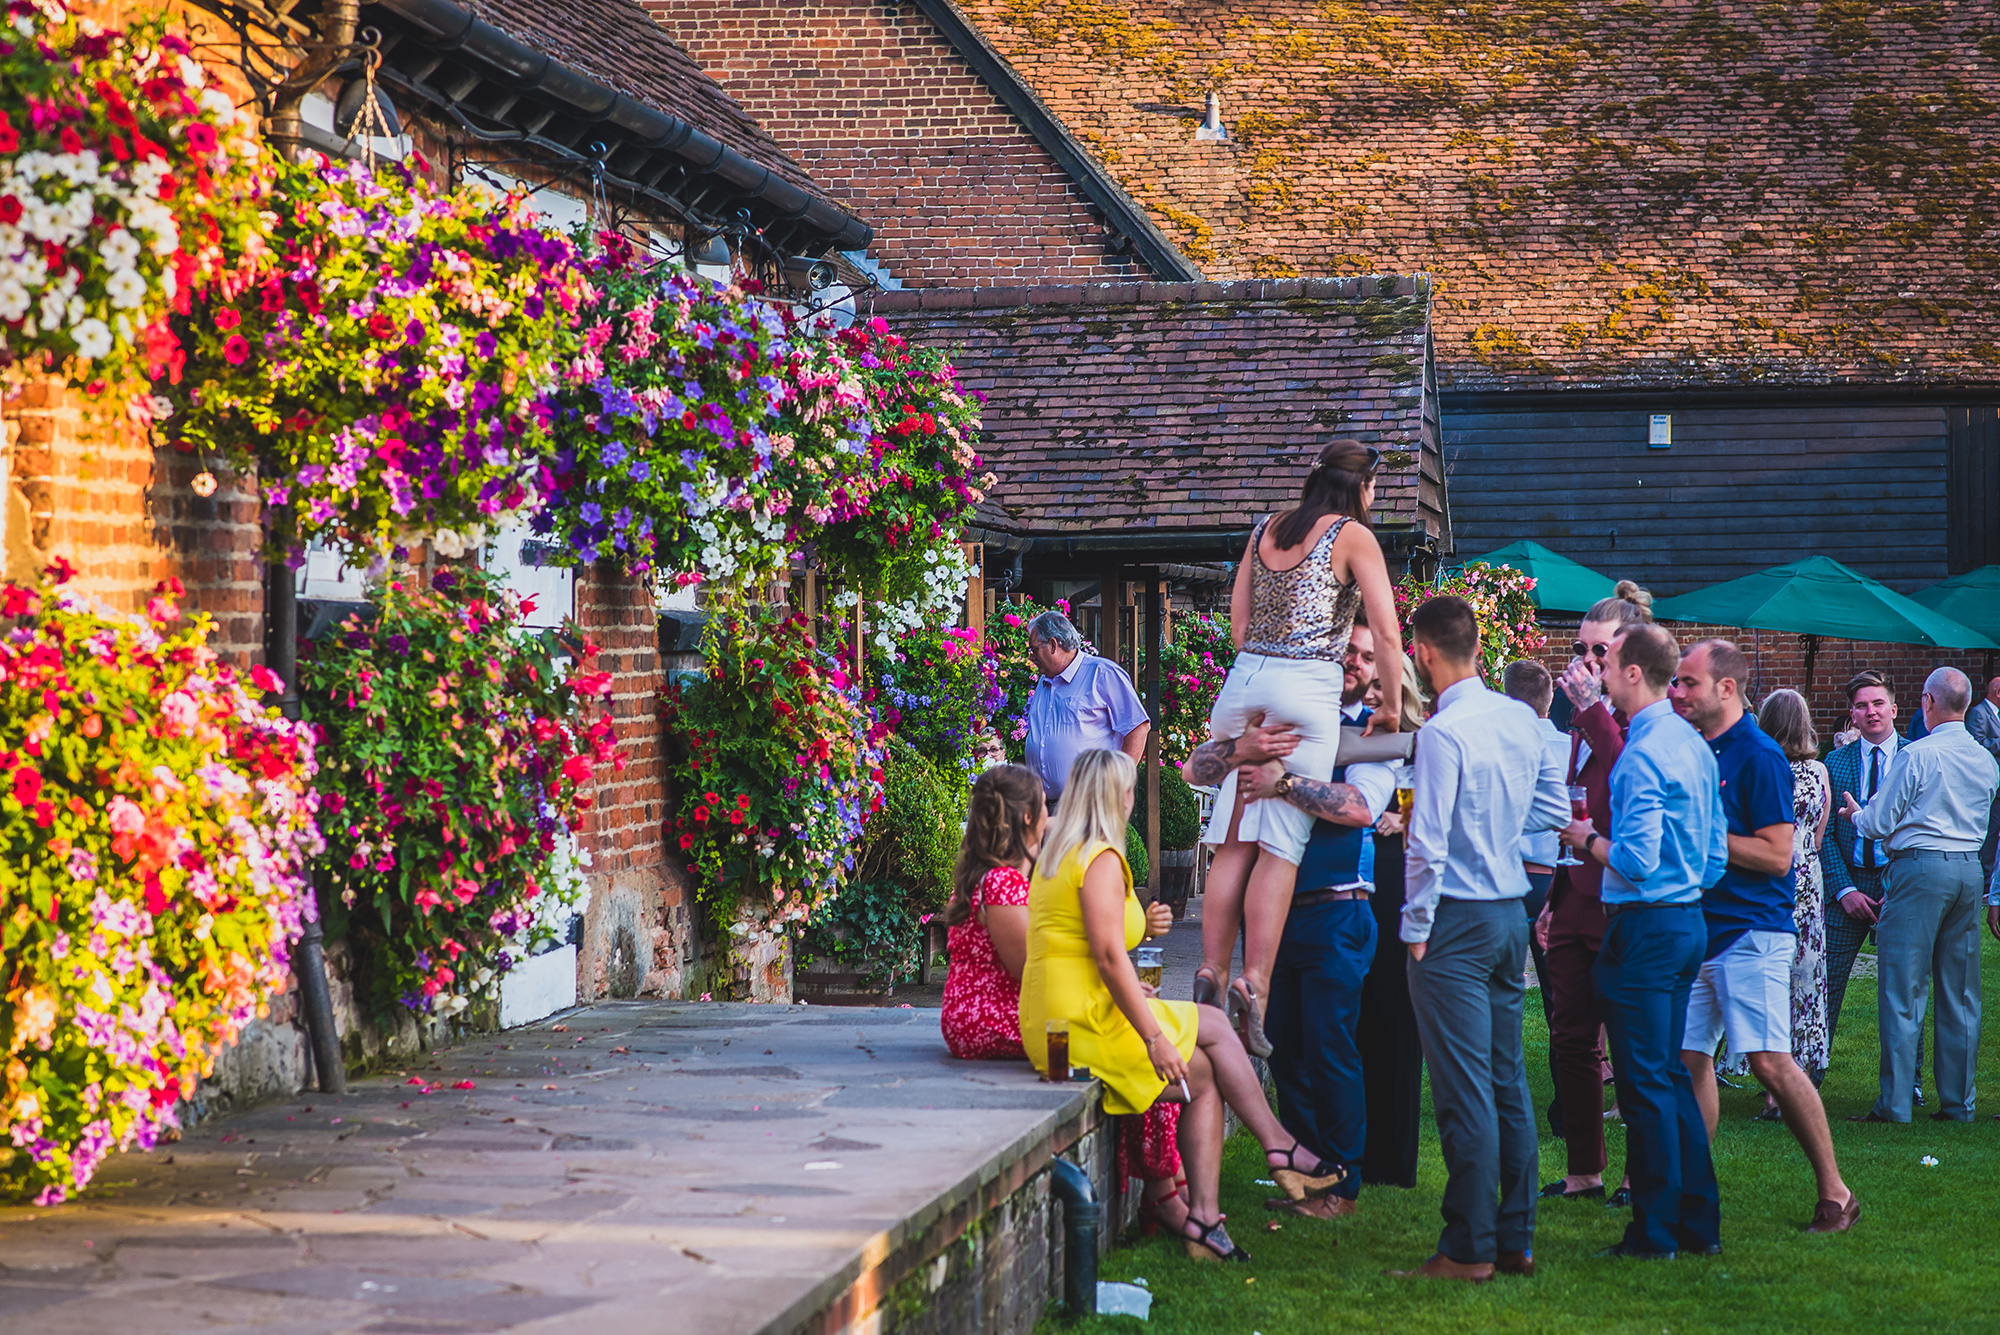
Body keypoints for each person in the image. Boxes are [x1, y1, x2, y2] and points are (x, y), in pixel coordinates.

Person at [1019, 749, 1349, 1264]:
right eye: (1129, 791)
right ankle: (1279, 1147)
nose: (1132, 801)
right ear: (1115, 797)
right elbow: (1108, 956)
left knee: (1204, 1074)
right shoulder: (1100, 859)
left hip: (1059, 1019)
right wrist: (1152, 1035)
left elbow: (1085, 950)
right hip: (1081, 1023)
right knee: (1214, 1026)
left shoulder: (1061, 852)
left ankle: (1204, 1220)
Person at [1195, 440, 1402, 1058]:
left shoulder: (1265, 529)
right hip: (1307, 685)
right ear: (1362, 487)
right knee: (1279, 844)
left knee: (1234, 837)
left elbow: (1237, 625)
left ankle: (1207, 966)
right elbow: (1387, 632)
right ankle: (1252, 981)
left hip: (1245, 681)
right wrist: (1390, 705)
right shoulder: (1353, 535)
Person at [1387, 595, 1566, 1284]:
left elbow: (1426, 844)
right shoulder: (1521, 717)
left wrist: (1415, 930)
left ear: (1424, 652)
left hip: (1455, 920)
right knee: (1506, 1079)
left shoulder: (1441, 733)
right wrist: (1502, 829)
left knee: (1465, 1091)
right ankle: (1514, 1236)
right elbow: (1554, 807)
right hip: (1508, 912)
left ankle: (1468, 1246)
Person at [1671, 643, 1857, 1234]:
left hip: (1752, 930)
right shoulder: (1706, 748)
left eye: (1688, 683)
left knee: (1770, 1061)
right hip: (1708, 925)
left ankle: (1836, 1192)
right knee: (1690, 1057)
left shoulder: (1758, 755)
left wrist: (1702, 835)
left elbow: (1779, 855)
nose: (1677, 692)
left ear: (1726, 689)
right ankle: (1687, 1191)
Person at [1557, 622, 1726, 1261]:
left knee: (1644, 1085)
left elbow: (1634, 859)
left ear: (1632, 673)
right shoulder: (1692, 742)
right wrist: (1684, 890)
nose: (1596, 673)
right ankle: (1695, 1223)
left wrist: (1586, 844)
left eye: (1607, 663)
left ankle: (1655, 1232)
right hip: (1686, 919)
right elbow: (1711, 855)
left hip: (1646, 925)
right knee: (1669, 1077)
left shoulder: (1643, 753)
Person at [1227, 620, 1401, 1220]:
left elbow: (1357, 808)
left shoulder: (1375, 735)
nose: (1353, 662)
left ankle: (1345, 1184)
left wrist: (1285, 783)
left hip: (1337, 913)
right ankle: (1309, 1169)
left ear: (1378, 669)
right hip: (1274, 921)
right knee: (1286, 1052)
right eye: (1344, 651)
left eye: (1363, 655)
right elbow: (1204, 767)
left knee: (1331, 1050)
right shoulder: (1287, 726)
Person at [1844, 667, 2000, 1124]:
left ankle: (1894, 1105)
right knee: (1961, 992)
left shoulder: (1916, 755)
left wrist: (1856, 813)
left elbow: (1877, 823)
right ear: (1968, 705)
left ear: (1928, 702)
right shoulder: (1986, 759)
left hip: (1918, 868)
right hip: (1969, 870)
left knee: (1902, 988)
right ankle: (1959, 1103)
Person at [1536, 581, 1650, 1202]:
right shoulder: (1587, 714)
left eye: (1598, 653)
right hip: (1577, 888)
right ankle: (1585, 1167)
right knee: (1571, 1036)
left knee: (1631, 1041)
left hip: (1624, 894)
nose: (1586, 665)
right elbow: (1579, 805)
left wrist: (1591, 712)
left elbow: (1629, 774)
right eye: (1582, 651)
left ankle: (1638, 1173)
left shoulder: (1649, 716)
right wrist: (1554, 901)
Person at [1819, 670, 1925, 1102]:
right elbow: (1822, 832)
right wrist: (1844, 890)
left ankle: (1908, 1083)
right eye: (1862, 705)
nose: (1871, 711)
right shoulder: (1835, 763)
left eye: (1878, 703)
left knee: (1904, 987)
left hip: (1898, 885)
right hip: (1849, 886)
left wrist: (1896, 884)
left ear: (1895, 710)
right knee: (1824, 984)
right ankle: (1806, 1078)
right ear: (1853, 715)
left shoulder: (1917, 757)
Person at [1724, 690, 1832, 1100]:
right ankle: (1797, 1071)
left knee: (1770, 977)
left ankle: (1770, 1078)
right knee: (1806, 976)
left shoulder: (1763, 767)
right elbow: (1820, 834)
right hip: (1808, 873)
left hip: (1773, 876)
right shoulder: (1818, 772)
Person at [1502, 658, 1567, 1140]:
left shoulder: (1501, 743)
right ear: (1549, 701)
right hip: (1550, 879)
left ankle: (1493, 1098)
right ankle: (1567, 1107)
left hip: (1506, 880)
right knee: (1559, 1001)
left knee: (1493, 994)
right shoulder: (1570, 747)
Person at [1022, 609, 1150, 809]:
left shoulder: (1102, 673)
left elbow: (1138, 727)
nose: (1031, 657)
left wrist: (1117, 785)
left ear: (1054, 645)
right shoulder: (1044, 682)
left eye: (1034, 650)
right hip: (1045, 806)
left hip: (1089, 806)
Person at [1967, 675, 2000, 879]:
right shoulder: (1979, 713)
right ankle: (1986, 878)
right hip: (1991, 784)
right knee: (1991, 832)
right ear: (1998, 692)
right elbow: (1977, 743)